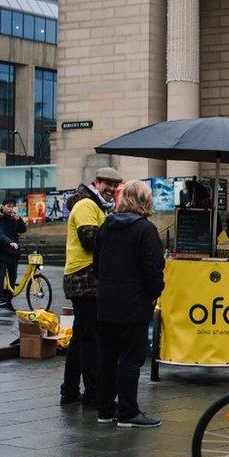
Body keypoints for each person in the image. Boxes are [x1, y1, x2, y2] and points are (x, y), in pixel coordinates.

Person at [94, 180, 166, 428]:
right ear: (144, 201)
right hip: (134, 304)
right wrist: (154, 293)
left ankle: (105, 409)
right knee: (129, 359)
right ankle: (127, 412)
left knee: (107, 357)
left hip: (105, 301)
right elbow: (153, 269)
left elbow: (97, 264)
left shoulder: (106, 226)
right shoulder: (145, 230)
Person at [60, 167, 121, 407]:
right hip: (84, 277)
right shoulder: (86, 204)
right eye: (108, 184)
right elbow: (90, 240)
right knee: (91, 339)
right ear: (96, 182)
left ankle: (70, 390)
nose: (112, 190)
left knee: (81, 337)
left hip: (83, 276)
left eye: (115, 186)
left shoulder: (96, 206)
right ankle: (93, 394)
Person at [0, 196, 27, 312]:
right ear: (3, 206)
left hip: (13, 253)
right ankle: (0, 298)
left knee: (12, 277)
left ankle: (8, 301)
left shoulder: (13, 218)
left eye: (12, 206)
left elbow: (22, 230)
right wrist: (10, 242)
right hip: (1, 251)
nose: (10, 209)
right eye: (8, 206)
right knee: (1, 274)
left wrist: (18, 219)